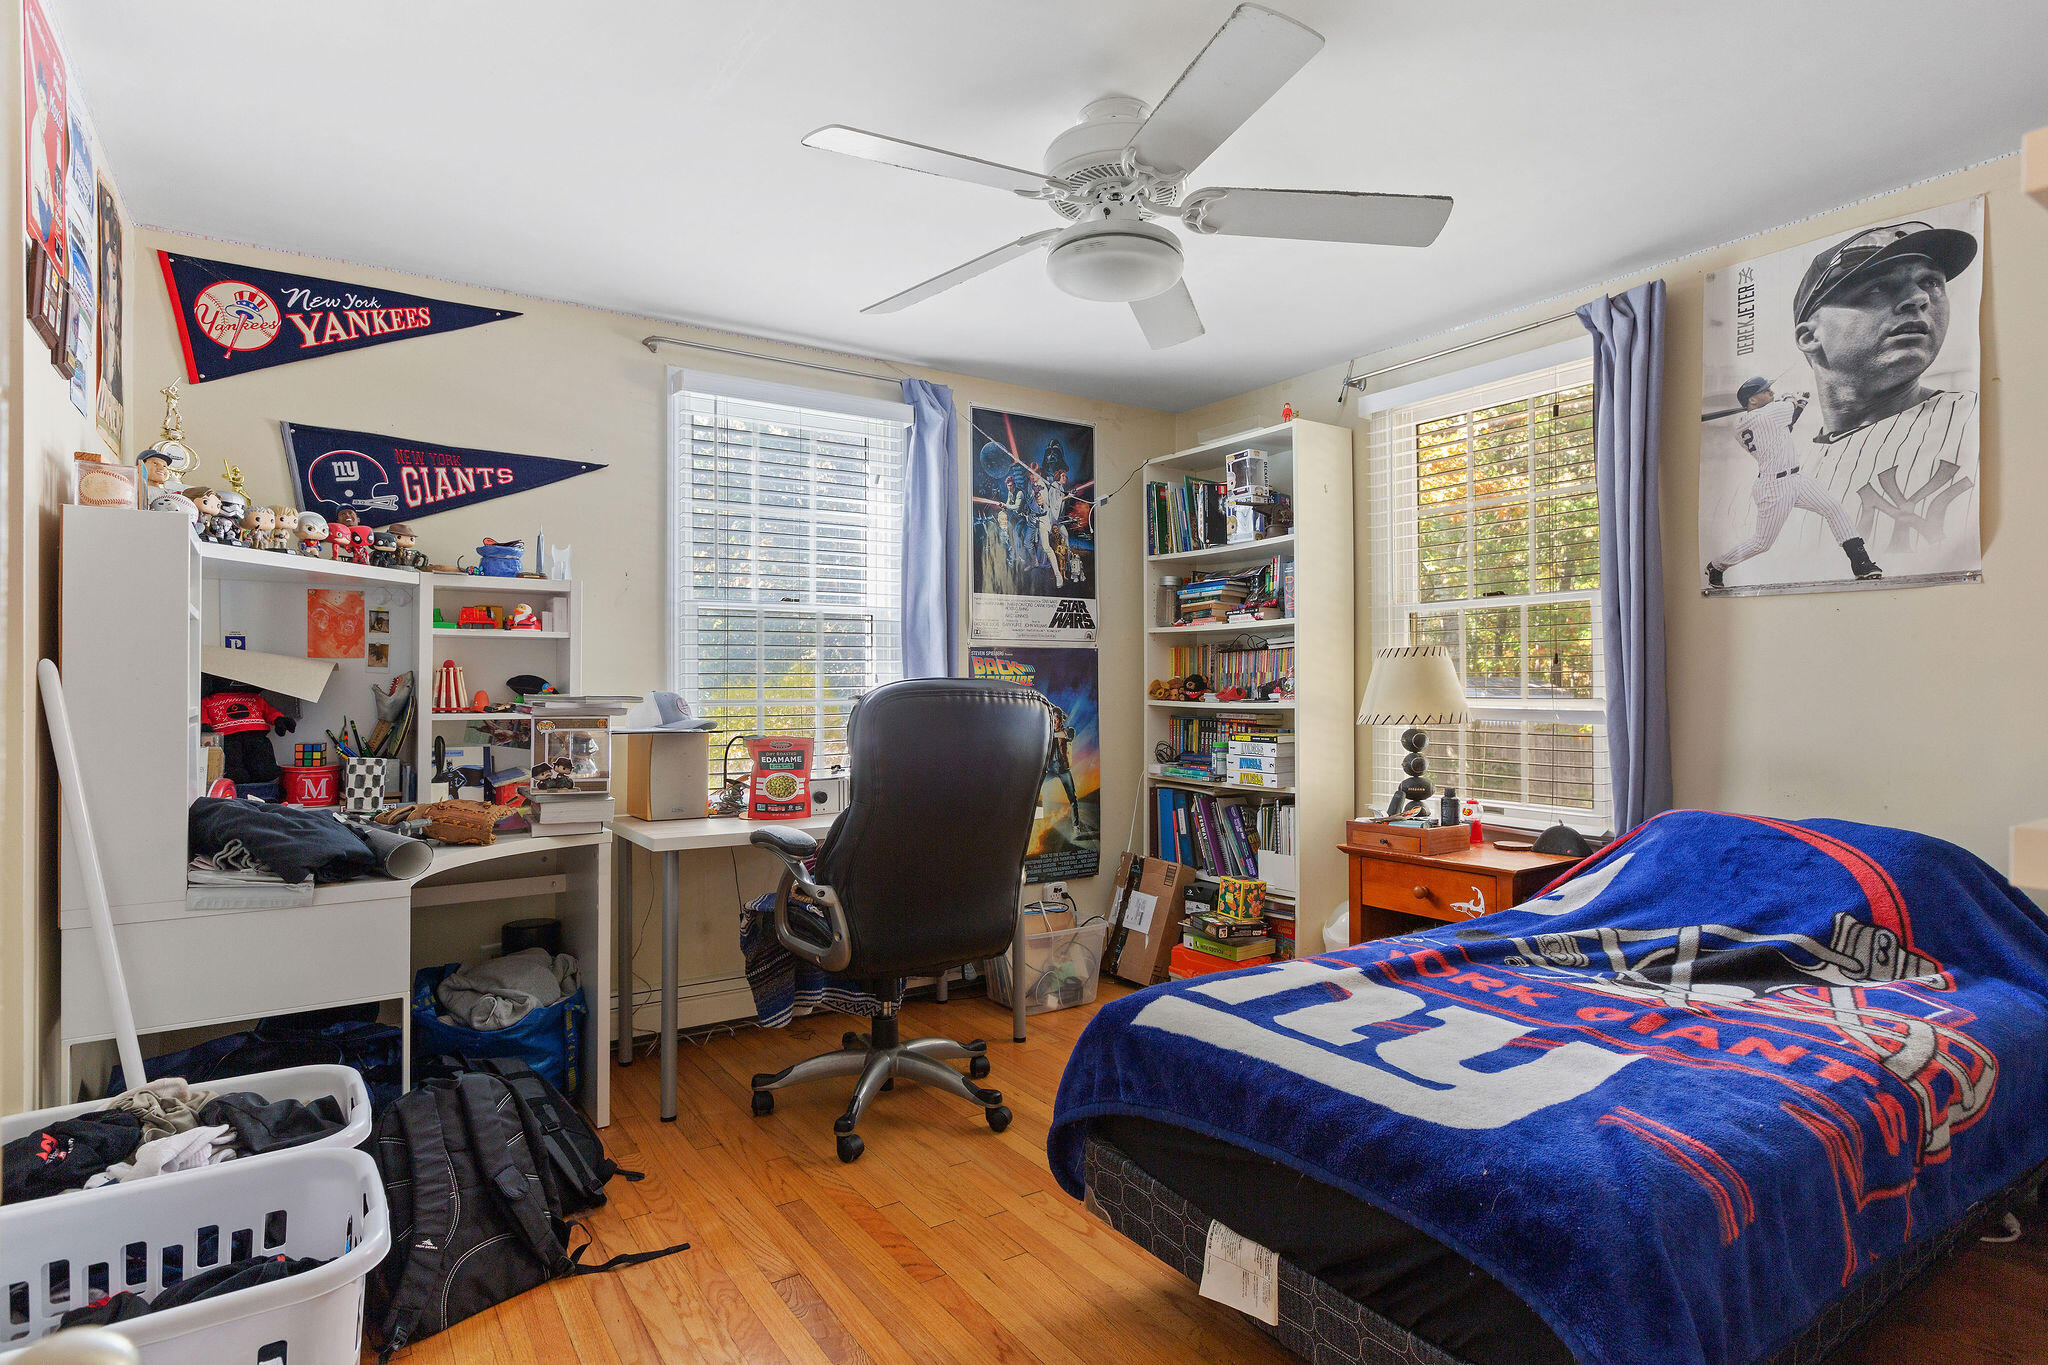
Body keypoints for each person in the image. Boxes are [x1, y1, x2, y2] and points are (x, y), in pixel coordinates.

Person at [1792, 219, 1979, 560]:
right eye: (1875, 288)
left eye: (1931, 282)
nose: (1918, 298)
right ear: (1810, 337)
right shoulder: (1776, 471)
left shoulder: (1984, 421)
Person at [1705, 378, 1880, 588]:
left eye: (1769, 389)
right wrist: (1794, 398)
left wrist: (1795, 403)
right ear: (1752, 399)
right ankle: (1717, 565)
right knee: (1762, 543)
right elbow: (1791, 405)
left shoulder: (1745, 424)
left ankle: (1862, 564)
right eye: (1765, 391)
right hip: (1774, 487)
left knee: (1833, 508)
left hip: (1796, 479)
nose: (1770, 392)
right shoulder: (1767, 413)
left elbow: (1785, 427)